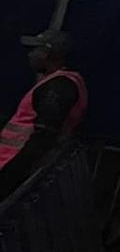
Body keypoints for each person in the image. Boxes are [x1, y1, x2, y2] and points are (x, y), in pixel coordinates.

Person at [0, 29, 89, 197]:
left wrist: (13, 174)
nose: (30, 55)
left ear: (46, 54)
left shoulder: (58, 86)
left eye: (35, 50)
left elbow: (45, 134)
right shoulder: (54, 82)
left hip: (15, 166)